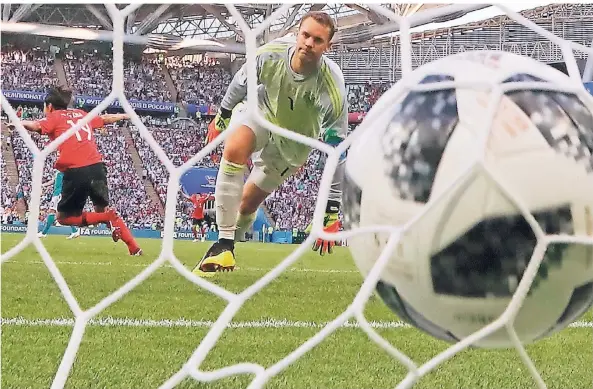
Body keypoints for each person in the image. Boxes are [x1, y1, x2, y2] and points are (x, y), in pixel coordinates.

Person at [194, 11, 347, 276]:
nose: (309, 43)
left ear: (327, 47)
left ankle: (229, 247)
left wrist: (331, 211)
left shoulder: (333, 87)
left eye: (318, 40)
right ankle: (223, 245)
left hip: (294, 142)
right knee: (234, 149)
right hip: (262, 112)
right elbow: (241, 81)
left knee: (246, 205)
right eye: (306, 35)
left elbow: (337, 152)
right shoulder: (272, 53)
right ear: (297, 34)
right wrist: (222, 117)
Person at [14, 85, 142, 256]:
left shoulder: (55, 117)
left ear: (49, 106)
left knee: (64, 218)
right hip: (97, 168)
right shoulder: (81, 114)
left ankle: (107, 218)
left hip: (76, 171)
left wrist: (18, 123)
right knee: (102, 211)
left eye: (44, 108)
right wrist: (124, 115)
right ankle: (134, 247)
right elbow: (105, 119)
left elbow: (37, 126)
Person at [38, 170, 80, 239]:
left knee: (52, 211)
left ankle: (43, 233)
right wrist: (43, 185)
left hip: (59, 194)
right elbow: (53, 181)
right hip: (58, 194)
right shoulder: (59, 172)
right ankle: (75, 231)